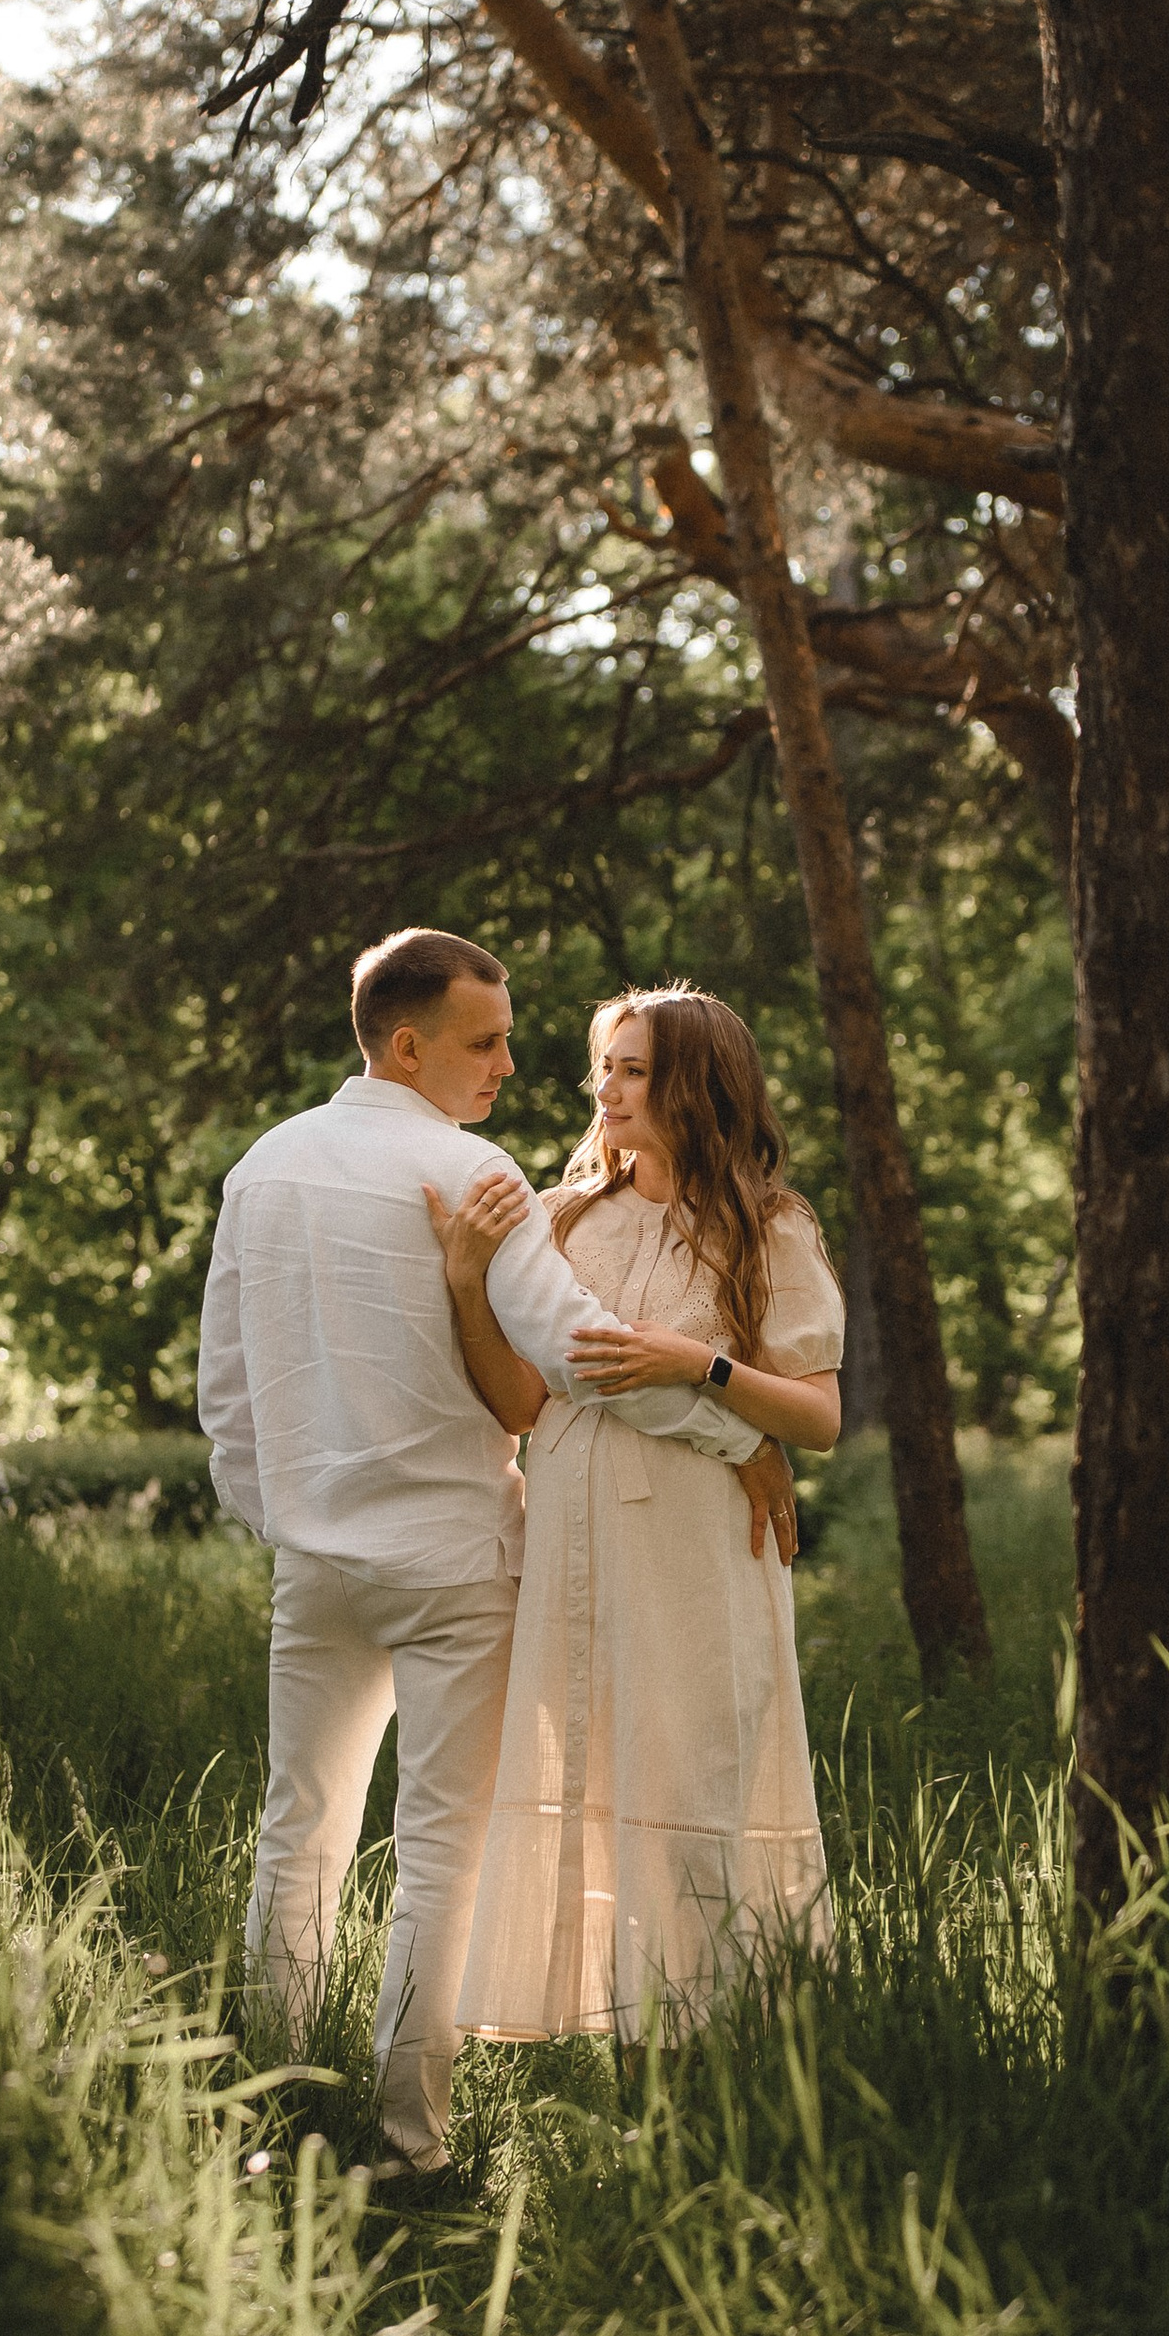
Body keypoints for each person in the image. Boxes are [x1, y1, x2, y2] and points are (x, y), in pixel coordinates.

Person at [195, 928, 797, 2176]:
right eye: (486, 1042)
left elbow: (227, 1396)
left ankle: (265, 2108)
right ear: (407, 1044)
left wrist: (283, 1517)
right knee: (437, 1856)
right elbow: (583, 1354)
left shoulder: (264, 1168)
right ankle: (409, 2144)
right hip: (454, 1564)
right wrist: (734, 1435)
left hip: (315, 1567)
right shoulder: (474, 1175)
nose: (510, 1067)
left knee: (295, 1832)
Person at [439, 987, 844, 2048]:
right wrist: (470, 1287)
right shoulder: (561, 1217)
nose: (604, 1089)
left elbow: (818, 1416)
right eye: (604, 1067)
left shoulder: (770, 1225)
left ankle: (706, 2045)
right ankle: (608, 2040)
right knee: (584, 1770)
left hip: (698, 1548)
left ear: (696, 1084)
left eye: (632, 1069)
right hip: (572, 1536)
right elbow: (522, 1402)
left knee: (688, 1777)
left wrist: (702, 1365)